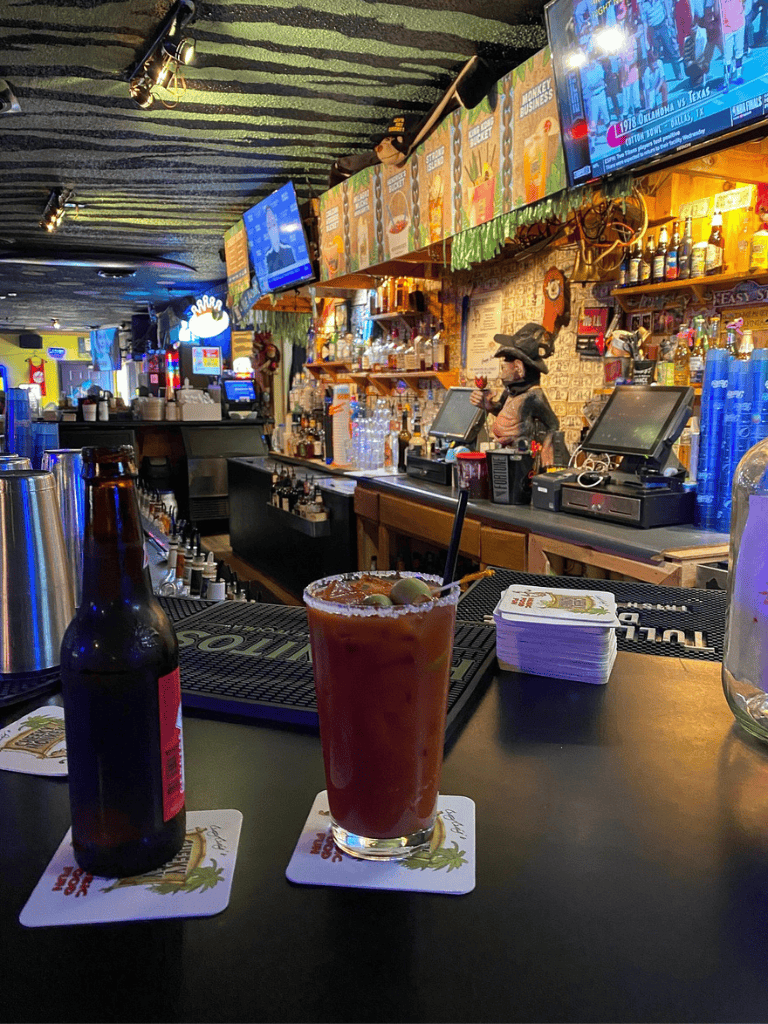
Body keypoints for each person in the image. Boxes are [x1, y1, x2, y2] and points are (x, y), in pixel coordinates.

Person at [470, 330, 560, 466]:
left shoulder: (534, 396)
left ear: (518, 368)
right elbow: (501, 409)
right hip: (504, 454)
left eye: (503, 368)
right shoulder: (511, 391)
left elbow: (553, 424)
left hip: (521, 458)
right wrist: (490, 406)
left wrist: (547, 449)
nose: (501, 375)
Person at [264, 203, 296, 281]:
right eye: (269, 225)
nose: (272, 228)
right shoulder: (268, 256)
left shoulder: (288, 248)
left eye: (273, 224)